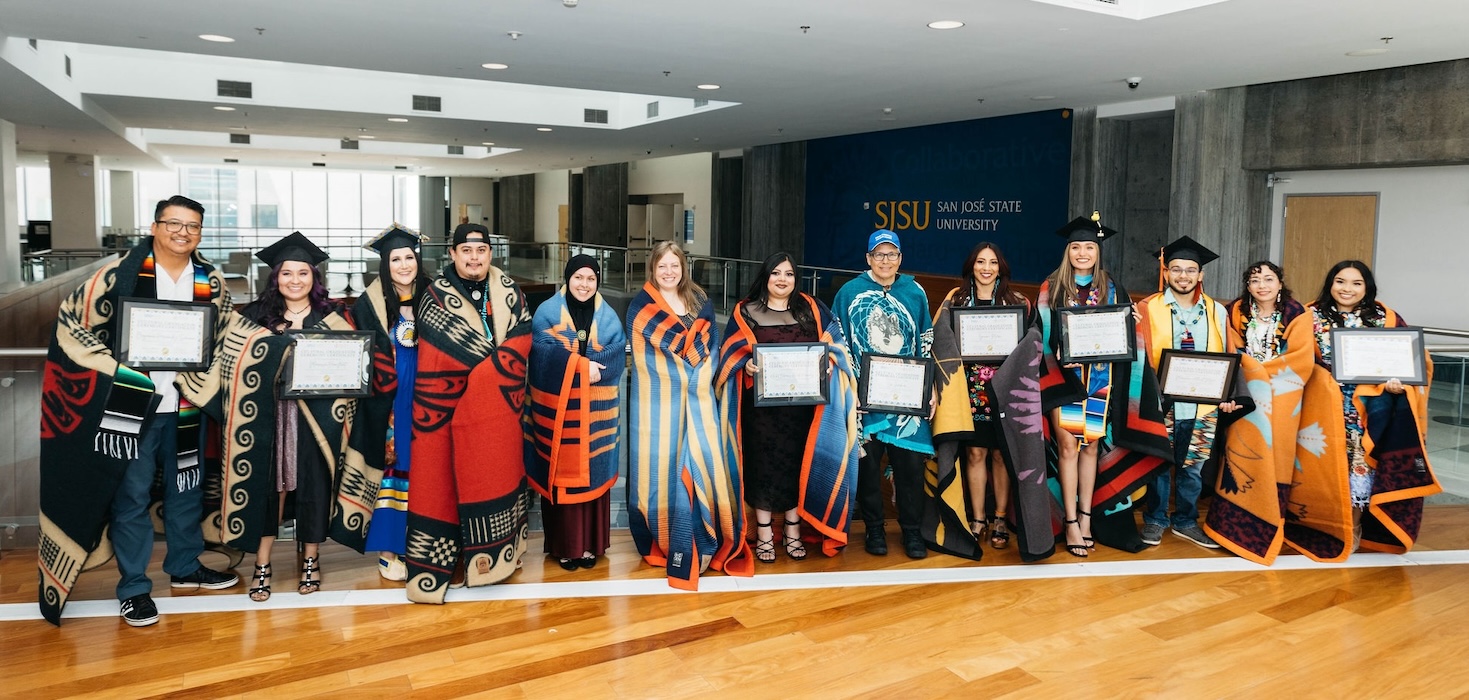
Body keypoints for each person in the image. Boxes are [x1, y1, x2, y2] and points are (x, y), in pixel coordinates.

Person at [37, 195, 239, 627]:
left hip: (185, 404)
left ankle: (184, 566)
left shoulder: (211, 281)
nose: (183, 233)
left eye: (193, 226)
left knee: (186, 491)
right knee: (131, 497)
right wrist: (113, 368)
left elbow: (227, 335)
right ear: (154, 227)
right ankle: (133, 588)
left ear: (200, 233)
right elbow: (71, 321)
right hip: (130, 405)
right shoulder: (116, 275)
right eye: (174, 223)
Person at [405, 223, 533, 603]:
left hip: (498, 413)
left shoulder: (510, 291)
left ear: (490, 253)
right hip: (447, 412)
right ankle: (454, 558)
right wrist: (492, 366)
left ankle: (501, 554)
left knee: (499, 474)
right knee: (446, 481)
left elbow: (522, 336)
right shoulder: (434, 296)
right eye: (466, 251)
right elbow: (439, 351)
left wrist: (487, 374)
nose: (474, 258)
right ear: (453, 254)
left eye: (481, 251)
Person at [1035, 213, 1170, 557]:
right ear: (1068, 251)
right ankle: (1069, 520)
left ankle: (1086, 518)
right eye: (1076, 247)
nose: (1082, 253)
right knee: (1068, 446)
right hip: (1065, 381)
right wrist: (1059, 348)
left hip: (1099, 380)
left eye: (1089, 247)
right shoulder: (1052, 287)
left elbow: (1122, 334)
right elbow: (1042, 335)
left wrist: (1131, 323)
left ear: (1098, 252)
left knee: (1091, 447)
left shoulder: (1111, 287)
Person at [715, 252, 860, 563]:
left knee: (798, 465)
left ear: (796, 279)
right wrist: (746, 365)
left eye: (789, 274)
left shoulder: (812, 308)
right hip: (761, 413)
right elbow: (729, 355)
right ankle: (764, 533)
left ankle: (793, 530)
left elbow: (836, 343)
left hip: (803, 410)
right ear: (766, 277)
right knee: (762, 467)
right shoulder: (745, 311)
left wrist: (830, 361)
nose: (782, 279)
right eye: (776, 273)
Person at [626, 240, 752, 589]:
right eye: (662, 266)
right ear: (653, 269)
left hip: (700, 401)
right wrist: (686, 376)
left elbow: (712, 349)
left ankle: (706, 539)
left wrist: (698, 378)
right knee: (665, 473)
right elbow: (648, 361)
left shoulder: (700, 303)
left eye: (674, 266)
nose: (668, 272)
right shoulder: (641, 309)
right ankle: (672, 538)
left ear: (683, 269)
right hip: (660, 409)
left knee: (705, 468)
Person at [238, 232, 354, 601]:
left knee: (314, 485)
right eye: (286, 273)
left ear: (313, 277)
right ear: (275, 277)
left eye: (303, 273)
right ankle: (262, 563)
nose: (295, 280)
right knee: (270, 489)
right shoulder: (255, 316)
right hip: (270, 416)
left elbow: (352, 364)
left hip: (317, 417)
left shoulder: (333, 316)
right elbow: (237, 365)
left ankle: (311, 559)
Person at [1306, 260, 1439, 553]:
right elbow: (1295, 358)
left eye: (1357, 283)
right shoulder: (1309, 316)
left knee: (1359, 468)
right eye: (1340, 281)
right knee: (1322, 469)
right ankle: (1322, 524)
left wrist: (1398, 383)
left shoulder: (1385, 318)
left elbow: (1415, 360)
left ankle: (1353, 527)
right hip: (1321, 408)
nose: (1347, 289)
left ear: (1367, 288)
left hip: (1365, 410)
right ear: (1330, 283)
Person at [832, 229, 939, 559]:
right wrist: (849, 388)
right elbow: (837, 342)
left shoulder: (915, 292)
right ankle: (874, 529)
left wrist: (931, 387)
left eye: (892, 254)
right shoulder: (849, 292)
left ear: (900, 258)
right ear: (868, 258)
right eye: (879, 254)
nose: (886, 260)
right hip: (865, 399)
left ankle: (912, 531)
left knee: (910, 468)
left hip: (906, 398)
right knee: (867, 468)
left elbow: (926, 341)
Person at [1204, 261, 1319, 564]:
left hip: (1283, 396)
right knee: (1241, 453)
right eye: (1255, 280)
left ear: (1280, 283)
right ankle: (1233, 526)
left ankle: (1273, 522)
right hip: (1246, 393)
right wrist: (1250, 374)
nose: (1262, 285)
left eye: (1269, 279)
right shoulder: (1234, 312)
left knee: (1278, 456)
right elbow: (1229, 350)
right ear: (1247, 285)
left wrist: (1259, 371)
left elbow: (1301, 358)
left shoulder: (1297, 314)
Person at [526, 255, 626, 571]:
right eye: (578, 278)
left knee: (593, 479)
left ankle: (589, 546)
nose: (584, 285)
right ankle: (566, 547)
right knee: (562, 480)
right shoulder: (546, 313)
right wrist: (582, 367)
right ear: (567, 279)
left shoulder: (609, 317)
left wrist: (590, 369)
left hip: (596, 413)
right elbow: (541, 354)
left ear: (597, 282)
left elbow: (617, 356)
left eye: (591, 279)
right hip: (560, 412)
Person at [930, 243, 1032, 554]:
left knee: (1001, 454)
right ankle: (977, 518)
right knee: (974, 453)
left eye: (992, 263)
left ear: (1001, 268)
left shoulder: (1017, 302)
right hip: (968, 390)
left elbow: (1030, 346)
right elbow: (939, 341)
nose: (986, 268)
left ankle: (999, 517)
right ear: (971, 266)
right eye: (980, 262)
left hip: (1005, 389)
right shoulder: (956, 299)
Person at [1135, 236, 1233, 550]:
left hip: (1202, 405)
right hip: (1161, 402)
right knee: (1159, 464)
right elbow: (1140, 353)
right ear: (1166, 273)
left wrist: (1228, 394)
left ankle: (1186, 521)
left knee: (1193, 468)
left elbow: (1229, 354)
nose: (1183, 276)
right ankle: (1155, 519)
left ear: (1201, 274)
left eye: (1191, 270)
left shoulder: (1217, 311)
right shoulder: (1148, 308)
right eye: (1176, 269)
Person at [345, 225, 430, 581]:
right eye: (396, 259)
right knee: (393, 470)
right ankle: (388, 550)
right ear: (385, 265)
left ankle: (419, 545)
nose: (404, 265)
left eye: (409, 257)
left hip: (428, 398)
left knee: (425, 471)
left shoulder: (434, 298)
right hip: (390, 403)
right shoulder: (370, 304)